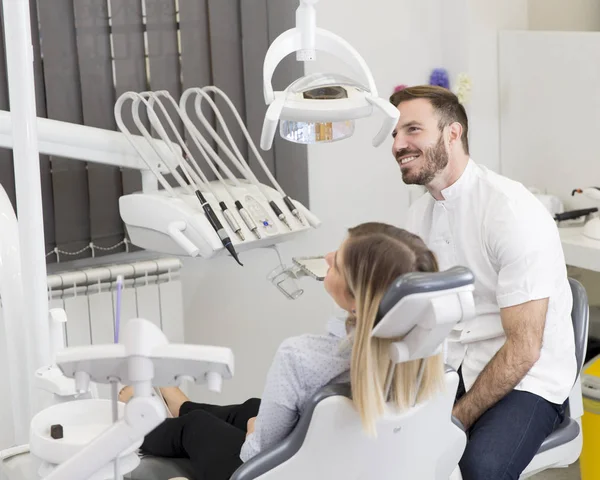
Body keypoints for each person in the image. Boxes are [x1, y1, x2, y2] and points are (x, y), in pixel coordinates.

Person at [120, 222, 445, 480]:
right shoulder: (421, 349)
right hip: (342, 458)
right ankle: (179, 401)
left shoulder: (299, 357)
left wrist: (253, 434)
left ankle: (132, 422)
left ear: (360, 302)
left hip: (266, 474)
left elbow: (256, 456)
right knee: (250, 407)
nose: (328, 257)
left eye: (339, 262)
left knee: (199, 427)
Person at [389, 85, 577, 479]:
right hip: (453, 364)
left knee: (479, 467)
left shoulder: (509, 211)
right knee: (383, 447)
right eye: (395, 134)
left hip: (528, 378)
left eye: (412, 130)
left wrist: (457, 417)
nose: (398, 144)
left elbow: (525, 350)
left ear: (452, 134)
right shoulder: (416, 218)